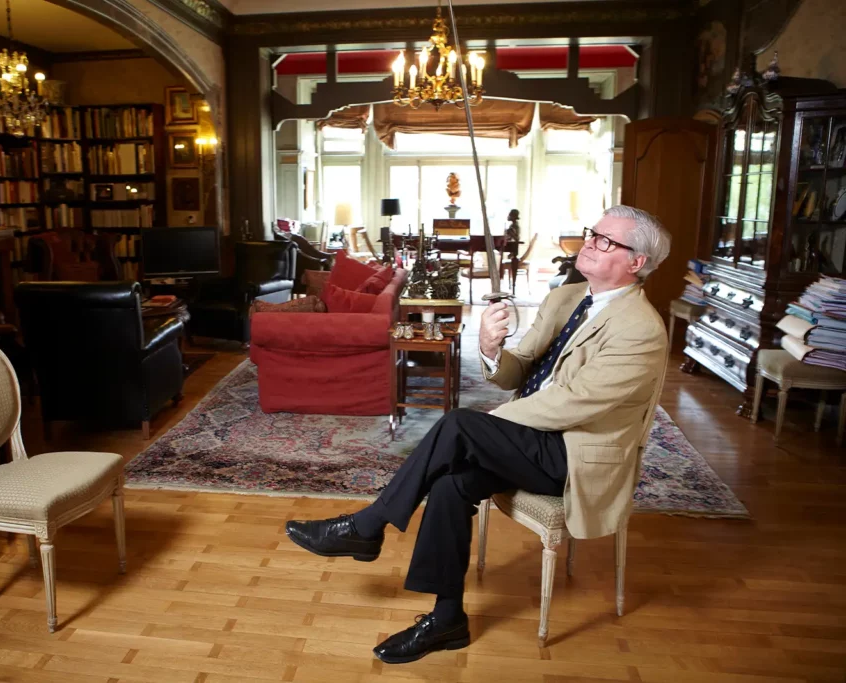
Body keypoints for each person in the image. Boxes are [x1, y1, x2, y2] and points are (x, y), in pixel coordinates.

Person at [284, 205, 672, 664]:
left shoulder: (640, 330)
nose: (589, 242)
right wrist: (490, 347)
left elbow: (576, 403)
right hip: (529, 440)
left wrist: (497, 421)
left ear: (636, 262)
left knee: (460, 423)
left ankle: (367, 526)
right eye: (593, 233)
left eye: (606, 241)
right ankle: (447, 618)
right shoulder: (566, 297)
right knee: (451, 485)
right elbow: (518, 369)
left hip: (572, 457)